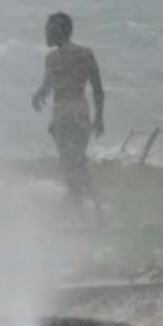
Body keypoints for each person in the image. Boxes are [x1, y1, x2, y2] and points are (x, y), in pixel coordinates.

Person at [32, 12, 104, 217]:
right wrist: (99, 118)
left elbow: (47, 87)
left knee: (69, 163)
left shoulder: (53, 57)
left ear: (57, 31)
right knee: (78, 161)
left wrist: (37, 95)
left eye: (48, 28)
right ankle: (91, 209)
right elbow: (98, 90)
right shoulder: (86, 54)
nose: (45, 32)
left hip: (64, 115)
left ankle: (81, 208)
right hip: (81, 112)